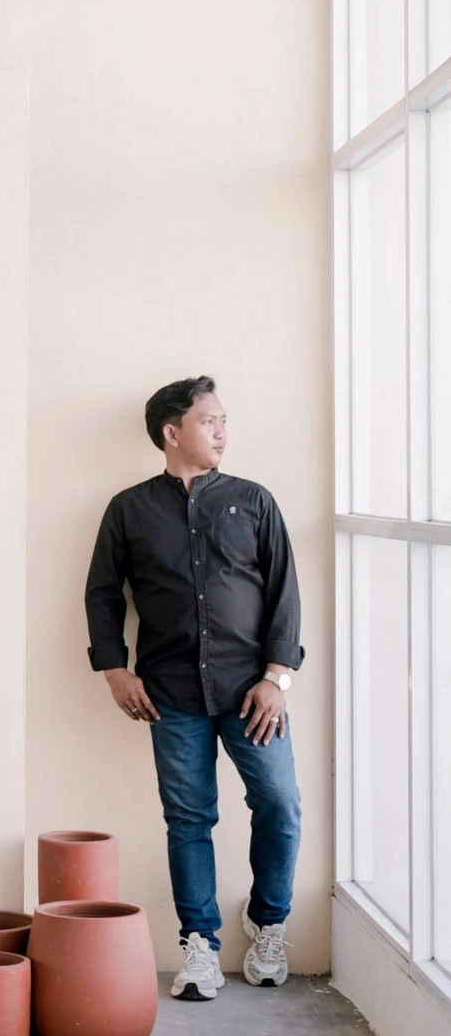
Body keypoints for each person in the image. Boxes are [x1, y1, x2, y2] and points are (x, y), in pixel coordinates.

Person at [84, 377, 303, 1001]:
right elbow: (103, 594)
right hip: (170, 692)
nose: (222, 432)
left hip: (251, 692)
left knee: (280, 804)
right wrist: (114, 669)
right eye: (210, 421)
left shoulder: (254, 501)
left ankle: (268, 923)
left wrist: (276, 678)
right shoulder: (128, 509)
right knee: (188, 818)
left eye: (224, 421)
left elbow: (285, 592)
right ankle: (200, 943)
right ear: (171, 431)